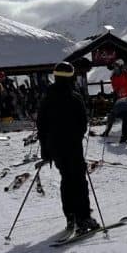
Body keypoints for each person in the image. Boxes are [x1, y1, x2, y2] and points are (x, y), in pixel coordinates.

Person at [37, 62, 100, 234]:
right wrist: (77, 136)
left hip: (55, 147)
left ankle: (70, 215)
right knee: (78, 180)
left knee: (66, 179)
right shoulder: (74, 96)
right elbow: (82, 123)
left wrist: (46, 148)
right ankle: (83, 217)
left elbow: (41, 125)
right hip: (72, 145)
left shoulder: (47, 97)